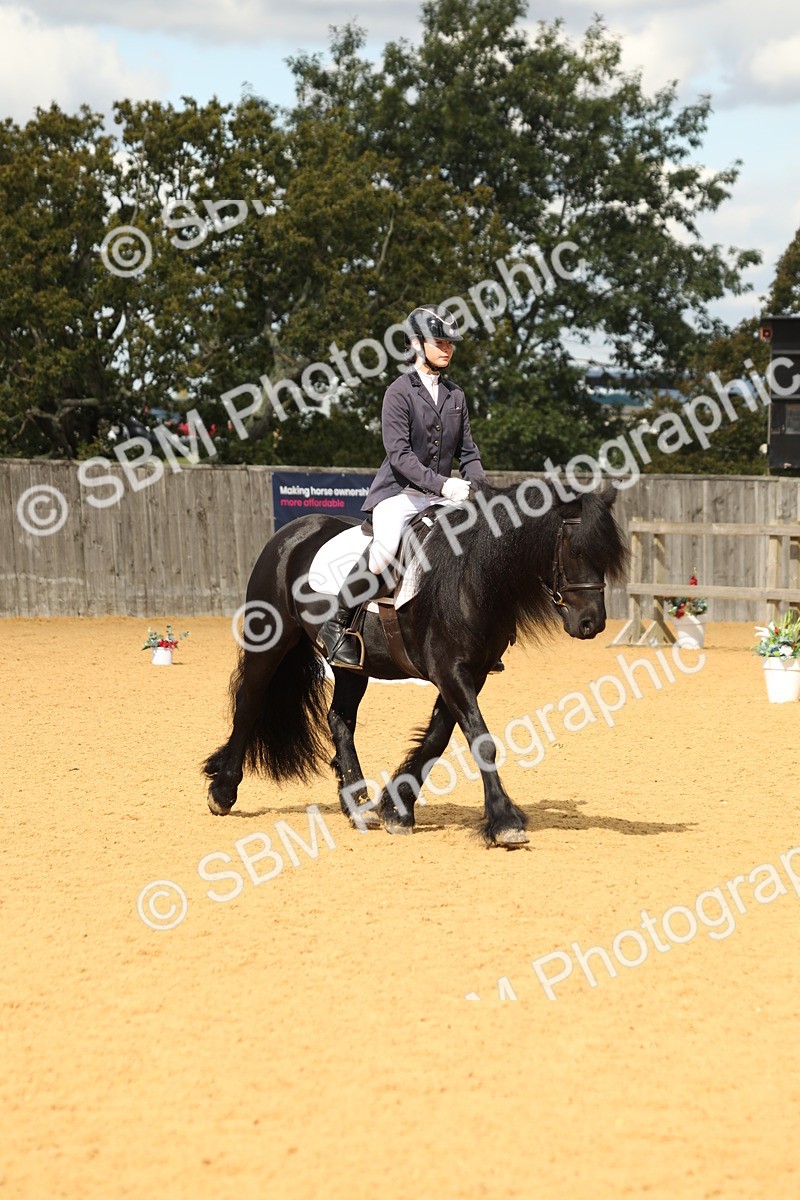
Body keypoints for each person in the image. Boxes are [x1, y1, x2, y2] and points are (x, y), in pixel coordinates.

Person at [317, 303, 487, 669]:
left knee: (479, 536)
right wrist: (444, 485)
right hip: (400, 494)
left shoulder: (456, 396)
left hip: (441, 496)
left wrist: (479, 487)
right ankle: (335, 625)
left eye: (450, 343)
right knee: (383, 551)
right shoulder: (399, 392)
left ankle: (478, 633)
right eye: (438, 341)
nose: (446, 348)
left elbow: (468, 452)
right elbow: (400, 455)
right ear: (415, 344)